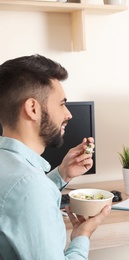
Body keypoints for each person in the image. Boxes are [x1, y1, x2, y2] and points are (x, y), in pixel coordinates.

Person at [0, 55, 111, 259]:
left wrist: (61, 174)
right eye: (61, 104)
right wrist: (81, 236)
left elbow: (15, 199)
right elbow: (27, 192)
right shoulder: (30, 187)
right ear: (33, 108)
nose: (68, 114)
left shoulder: (10, 170)